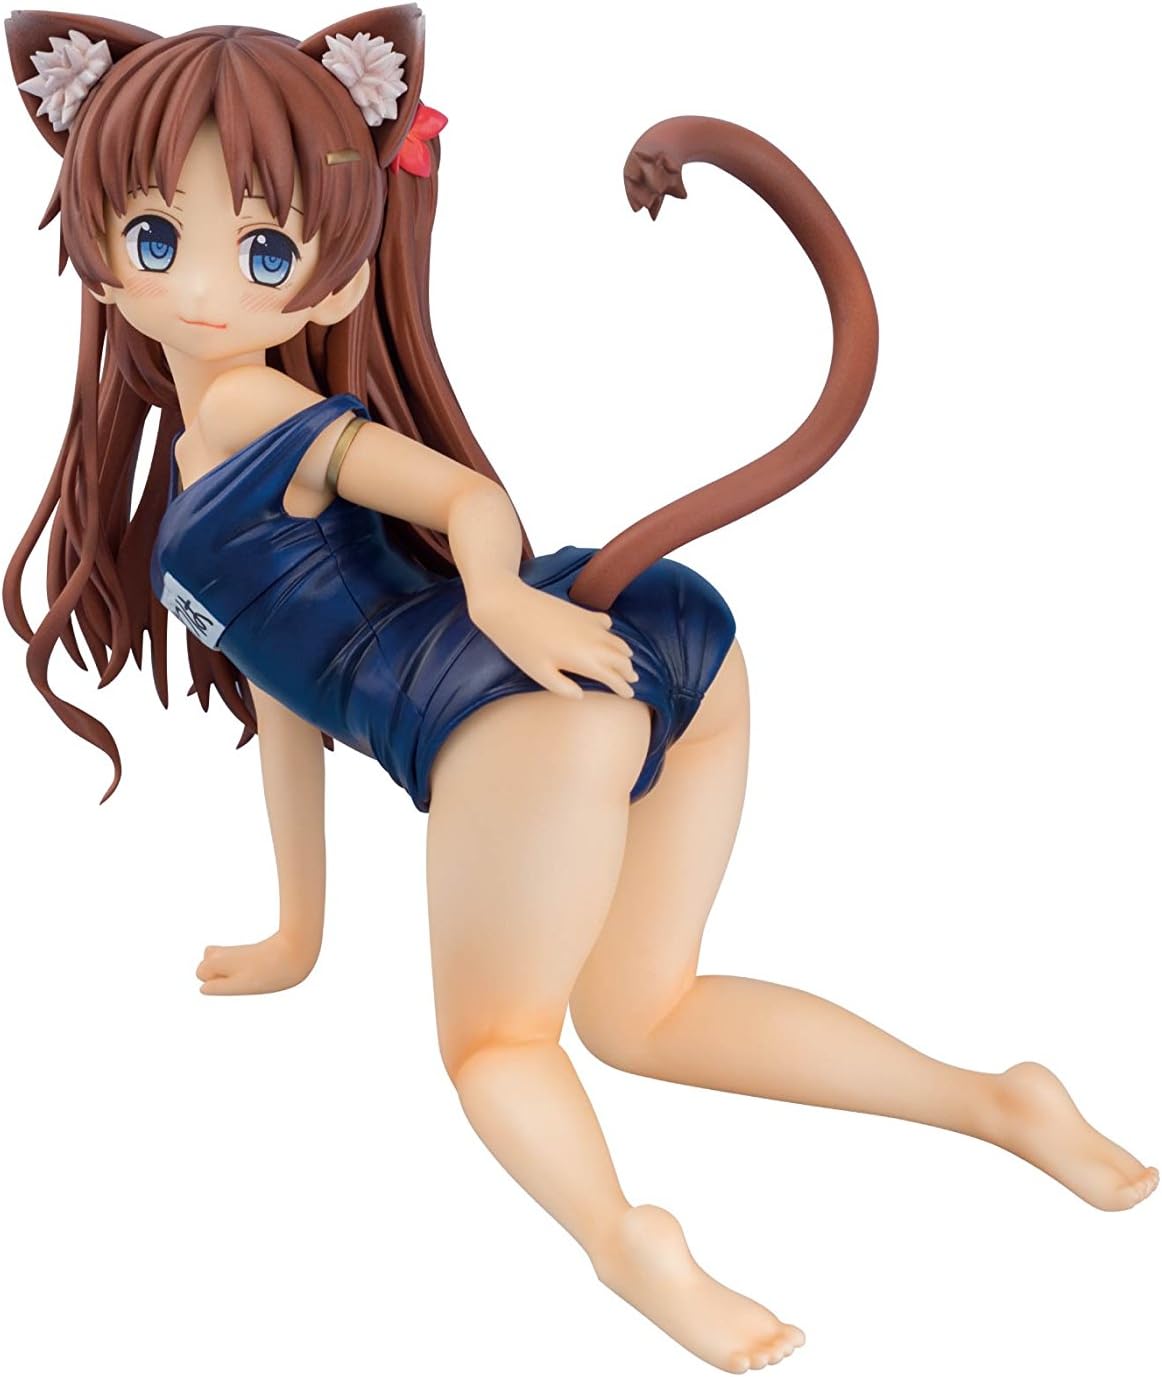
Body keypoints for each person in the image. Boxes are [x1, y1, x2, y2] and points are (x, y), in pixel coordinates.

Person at [5, 9, 1155, 1373]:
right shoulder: (207, 458)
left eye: (263, 253)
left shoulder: (256, 416)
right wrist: (297, 931)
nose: (204, 288)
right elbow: (285, 706)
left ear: (329, 286)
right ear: (99, 245)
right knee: (645, 1013)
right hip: (653, 651)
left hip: (518, 699)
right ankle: (999, 1102)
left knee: (497, 1047)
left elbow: (463, 501)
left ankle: (629, 1245)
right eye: (157, 239)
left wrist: (498, 602)